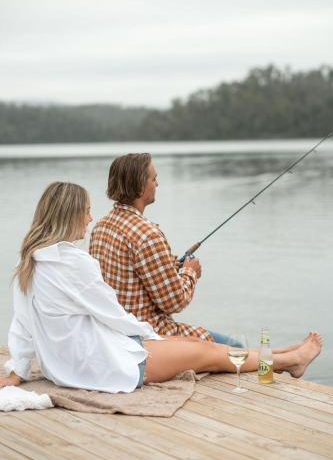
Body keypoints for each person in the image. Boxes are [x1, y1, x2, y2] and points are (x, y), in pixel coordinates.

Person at [0, 182, 323, 393]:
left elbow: (22, 325)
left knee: (204, 348)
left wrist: (18, 370)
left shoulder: (32, 262)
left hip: (66, 366)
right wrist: (151, 335)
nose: (90, 218)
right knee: (211, 354)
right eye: (85, 211)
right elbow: (113, 315)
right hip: (104, 365)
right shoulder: (73, 263)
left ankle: (288, 353)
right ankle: (288, 362)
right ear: (70, 215)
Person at [89, 153, 232, 344]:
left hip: (112, 331)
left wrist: (170, 265)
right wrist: (190, 272)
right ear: (140, 185)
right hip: (148, 334)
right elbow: (174, 302)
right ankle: (283, 361)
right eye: (154, 178)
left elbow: (132, 273)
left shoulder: (101, 226)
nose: (157, 184)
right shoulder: (148, 234)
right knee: (234, 346)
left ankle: (285, 359)